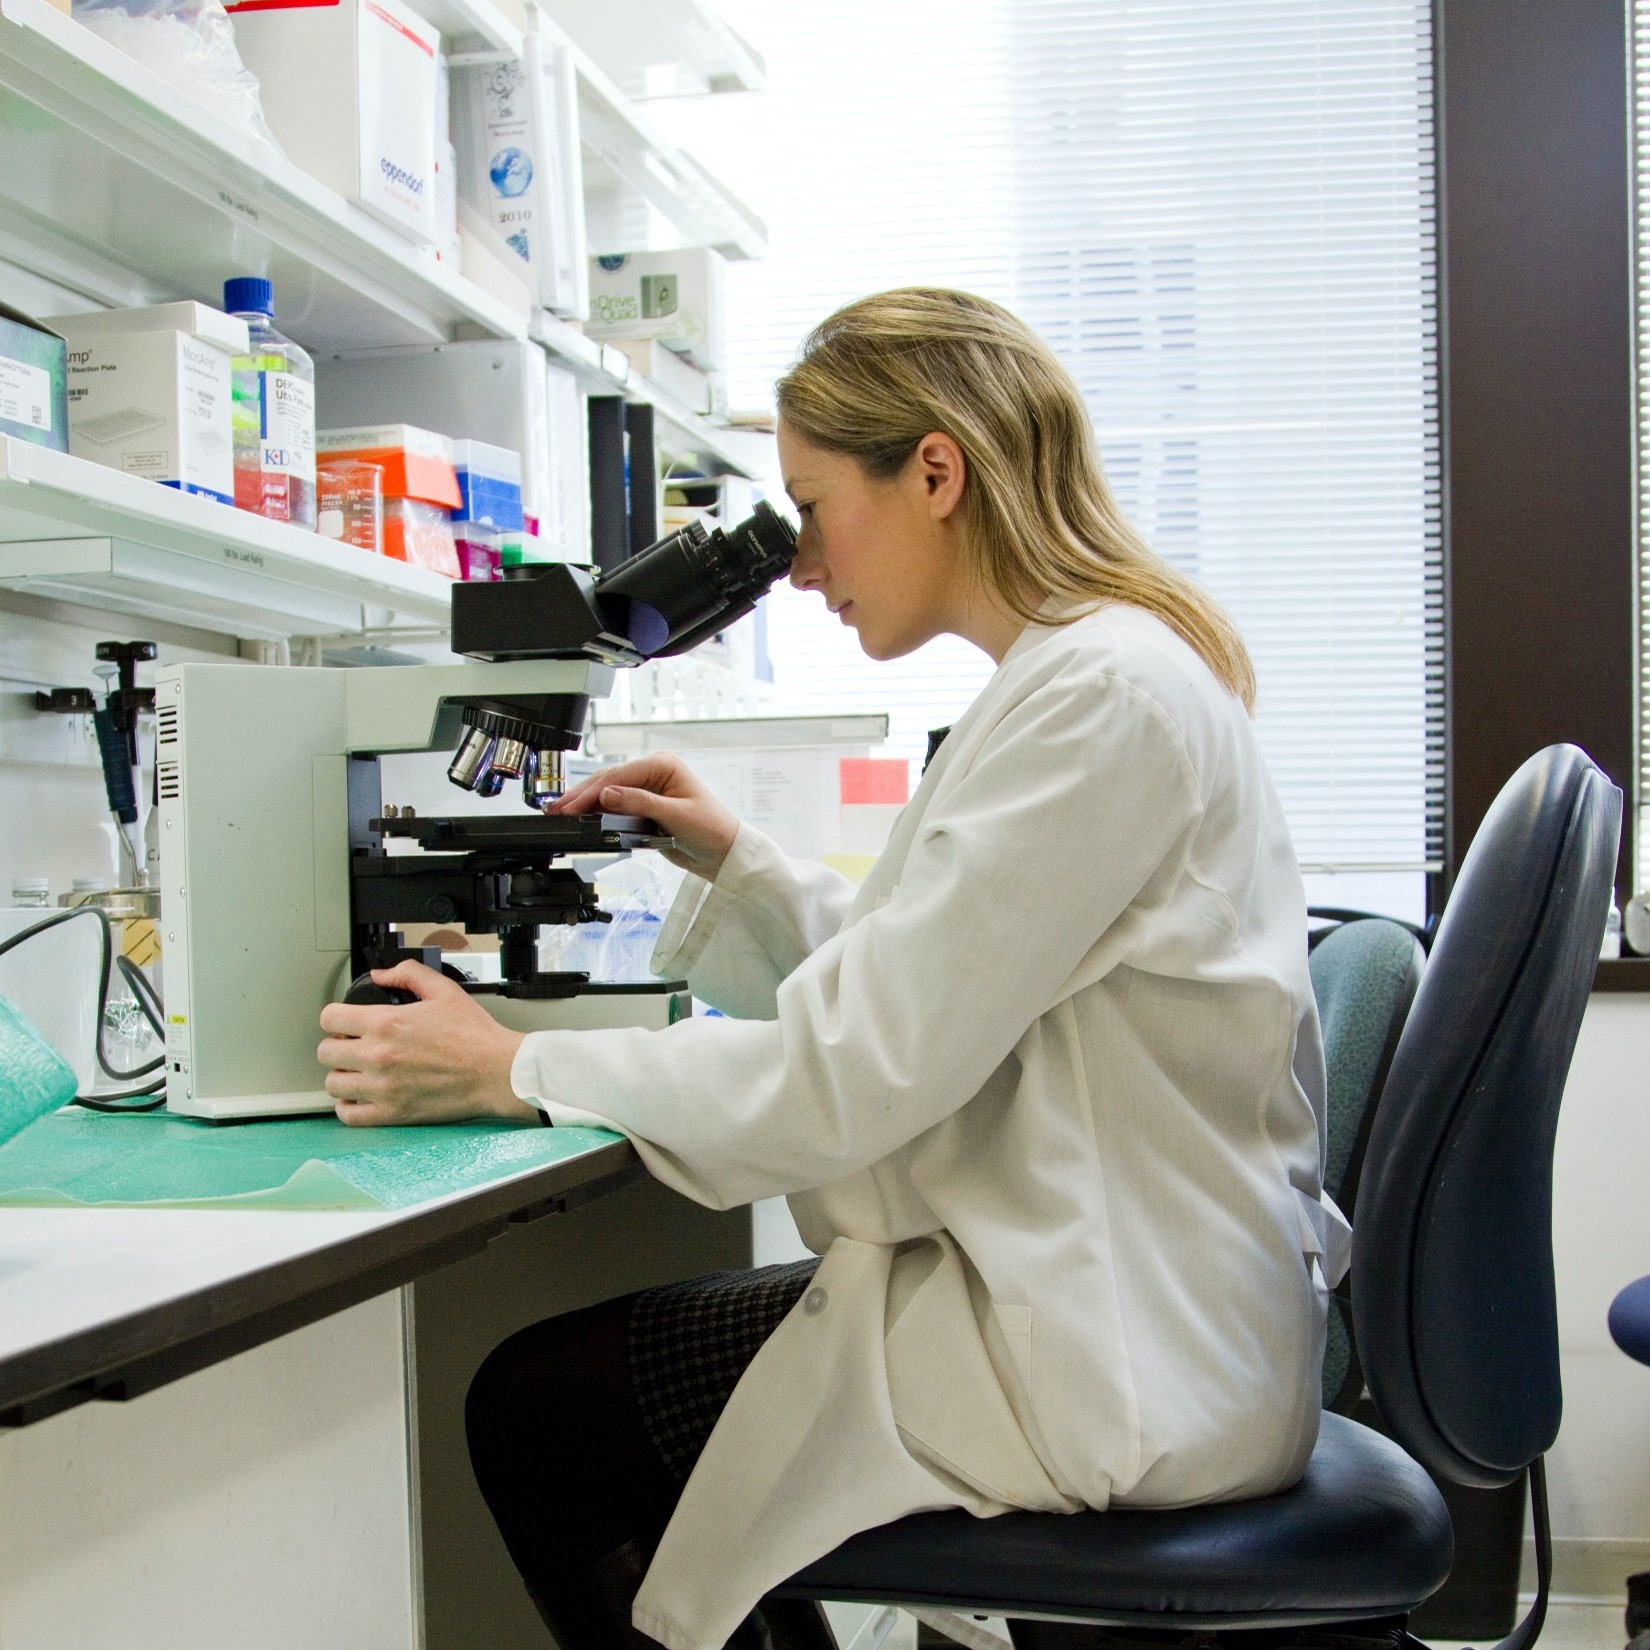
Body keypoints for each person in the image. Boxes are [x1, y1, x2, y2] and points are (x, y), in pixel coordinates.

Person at [316, 288, 1346, 1650]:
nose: (797, 564)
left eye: (807, 508)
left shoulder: (1096, 700)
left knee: (540, 1409)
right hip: (1115, 1295)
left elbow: (849, 1072)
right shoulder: (1087, 679)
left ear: (933, 471)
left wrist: (511, 1066)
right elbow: (943, 985)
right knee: (592, 1404)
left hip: (1111, 1345)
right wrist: (740, 864)